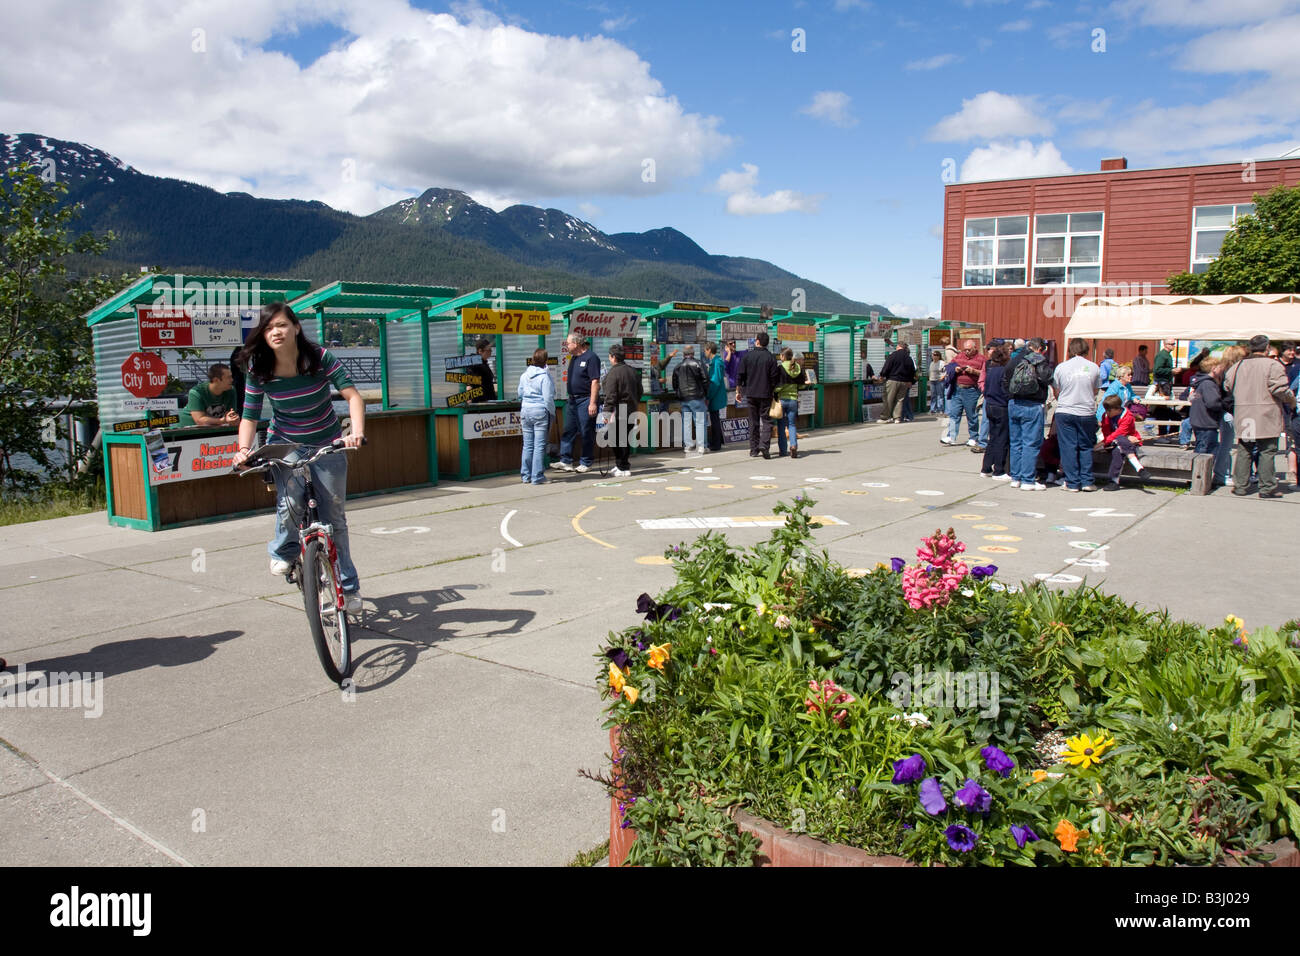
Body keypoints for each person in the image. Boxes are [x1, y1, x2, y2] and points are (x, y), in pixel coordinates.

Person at [232, 303, 366, 613]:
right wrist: (243, 449)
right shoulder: (259, 368)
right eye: (267, 328)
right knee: (290, 502)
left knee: (334, 515)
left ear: (296, 328)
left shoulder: (318, 358)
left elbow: (353, 396)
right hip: (285, 441)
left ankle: (349, 587)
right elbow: (249, 416)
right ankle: (284, 551)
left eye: (280, 325)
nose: (275, 332)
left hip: (326, 439)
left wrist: (355, 432)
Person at [1223, 334, 1297, 499]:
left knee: (1244, 449)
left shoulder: (1238, 365)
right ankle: (1267, 488)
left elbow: (1227, 385)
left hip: (1244, 413)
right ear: (1267, 347)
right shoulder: (1272, 365)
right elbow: (1280, 389)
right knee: (1267, 450)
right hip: (1266, 413)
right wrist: (1291, 400)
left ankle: (1240, 486)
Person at [1053, 338, 1102, 493]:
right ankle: (1087, 481)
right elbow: (1096, 390)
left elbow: (1056, 390)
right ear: (1086, 350)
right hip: (1086, 410)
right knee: (1085, 446)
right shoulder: (1094, 367)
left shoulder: (1061, 367)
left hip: (1066, 409)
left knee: (1068, 447)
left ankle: (1072, 482)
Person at [1004, 337, 1053, 490]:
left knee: (1016, 442)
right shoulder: (1039, 359)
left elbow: (1005, 379)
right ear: (1040, 349)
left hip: (1014, 403)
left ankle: (1016, 477)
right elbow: (1047, 378)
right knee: (1030, 443)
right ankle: (1028, 480)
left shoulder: (1014, 359)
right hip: (1032, 404)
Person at [556, 333, 601, 473]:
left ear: (576, 343)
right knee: (568, 430)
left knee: (586, 431)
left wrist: (592, 403)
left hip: (585, 399)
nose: (567, 345)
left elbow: (595, 381)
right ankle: (565, 460)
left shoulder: (591, 358)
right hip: (572, 400)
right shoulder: (574, 358)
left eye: (568, 343)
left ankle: (586, 462)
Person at [602, 343, 641, 477]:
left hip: (618, 411)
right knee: (624, 438)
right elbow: (639, 391)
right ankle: (621, 465)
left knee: (616, 439)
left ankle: (623, 466)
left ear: (613, 357)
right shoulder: (632, 371)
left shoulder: (613, 373)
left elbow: (610, 395)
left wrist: (606, 412)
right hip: (631, 409)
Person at [737, 331, 778, 458]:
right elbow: (774, 378)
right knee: (767, 421)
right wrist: (772, 391)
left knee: (753, 421)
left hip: (750, 393)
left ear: (757, 341)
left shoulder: (747, 357)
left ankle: (753, 449)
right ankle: (764, 445)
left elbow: (740, 375)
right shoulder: (771, 357)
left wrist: (739, 391)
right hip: (765, 393)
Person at [517, 348, 555, 484]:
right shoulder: (545, 377)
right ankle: (537, 476)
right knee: (539, 445)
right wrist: (552, 412)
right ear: (545, 361)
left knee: (527, 445)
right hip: (540, 411)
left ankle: (525, 475)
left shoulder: (524, 375)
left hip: (525, 410)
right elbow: (548, 398)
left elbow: (520, 393)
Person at [1099, 397, 1149, 489]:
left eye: (1109, 410)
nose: (1107, 412)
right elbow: (1106, 433)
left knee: (1118, 448)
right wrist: (1105, 443)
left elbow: (1120, 432)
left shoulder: (1128, 417)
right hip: (1113, 442)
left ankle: (1113, 481)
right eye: (1106, 410)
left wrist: (1125, 437)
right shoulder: (1105, 416)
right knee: (1120, 440)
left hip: (1127, 444)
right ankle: (1139, 468)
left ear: (1118, 409)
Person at [979, 345, 1011, 480]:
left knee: (992, 438)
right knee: (1001, 439)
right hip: (1000, 406)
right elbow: (1005, 390)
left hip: (990, 405)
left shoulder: (991, 370)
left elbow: (985, 389)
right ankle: (999, 470)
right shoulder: (1003, 371)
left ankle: (986, 468)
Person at [945, 339, 984, 446]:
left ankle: (973, 437)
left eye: (969, 350)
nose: (966, 352)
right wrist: (955, 368)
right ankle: (951, 436)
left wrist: (974, 371)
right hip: (958, 389)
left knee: (972, 415)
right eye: (965, 349)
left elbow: (985, 373)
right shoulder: (960, 356)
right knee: (954, 414)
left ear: (975, 348)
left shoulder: (981, 359)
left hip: (971, 390)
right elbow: (950, 366)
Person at [672, 345, 709, 457]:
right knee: (700, 422)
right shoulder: (698, 364)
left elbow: (675, 384)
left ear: (684, 354)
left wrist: (679, 393)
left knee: (686, 422)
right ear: (693, 353)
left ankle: (688, 445)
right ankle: (701, 446)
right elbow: (705, 380)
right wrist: (705, 394)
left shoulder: (678, 367)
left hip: (684, 398)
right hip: (697, 397)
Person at [772, 348, 806, 458]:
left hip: (782, 400)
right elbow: (801, 385)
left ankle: (783, 451)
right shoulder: (798, 368)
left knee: (781, 426)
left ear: (783, 356)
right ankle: (793, 445)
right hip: (793, 400)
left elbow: (777, 387)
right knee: (791, 425)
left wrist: (775, 392)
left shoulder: (780, 368)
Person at [1188, 356, 1224, 460]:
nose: (1221, 369)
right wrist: (1223, 406)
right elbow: (1212, 403)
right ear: (1213, 368)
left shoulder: (1201, 382)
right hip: (1206, 423)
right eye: (1219, 367)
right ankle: (1199, 474)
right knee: (1204, 452)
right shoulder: (1208, 384)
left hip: (1200, 421)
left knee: (1203, 447)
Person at [880, 341, 916, 423]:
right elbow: (912, 371)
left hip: (893, 380)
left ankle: (885, 417)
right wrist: (910, 381)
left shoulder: (893, 355)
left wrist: (882, 375)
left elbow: (887, 367)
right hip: (904, 382)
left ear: (898, 347)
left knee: (888, 399)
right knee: (899, 400)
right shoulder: (908, 358)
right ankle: (897, 418)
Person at [704, 342, 727, 451]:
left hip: (715, 396)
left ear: (709, 350)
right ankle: (716, 441)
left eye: (705, 350)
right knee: (715, 419)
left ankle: (716, 444)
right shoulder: (716, 361)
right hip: (717, 395)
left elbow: (715, 381)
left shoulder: (716, 363)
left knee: (715, 419)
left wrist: (708, 396)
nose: (704, 353)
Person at [470, 336, 497, 402]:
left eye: (491, 350)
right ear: (480, 351)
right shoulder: (475, 363)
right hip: (480, 401)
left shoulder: (483, 363)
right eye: (488, 350)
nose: (490, 352)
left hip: (487, 400)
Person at [229, 346, 246, 415]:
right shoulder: (240, 350)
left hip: (239, 381)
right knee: (239, 403)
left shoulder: (240, 349)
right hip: (238, 382)